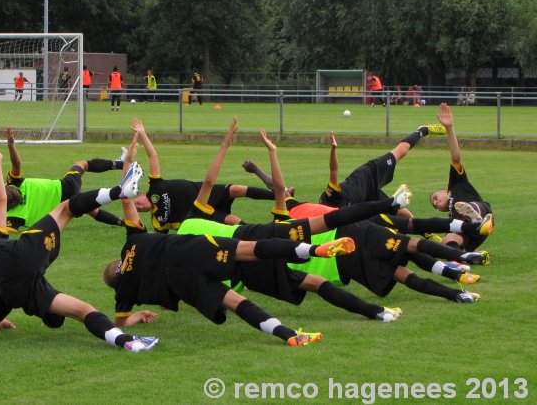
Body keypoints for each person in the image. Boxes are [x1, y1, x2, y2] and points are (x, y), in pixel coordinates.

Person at [103, 133, 356, 347]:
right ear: (117, 261)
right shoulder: (132, 243)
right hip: (186, 250)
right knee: (252, 249)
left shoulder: (124, 291)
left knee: (236, 302)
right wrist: (128, 162)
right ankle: (315, 249)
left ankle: (289, 335)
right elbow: (126, 199)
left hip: (181, 281)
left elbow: (120, 323)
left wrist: (140, 314)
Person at [176, 123, 412, 323]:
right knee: (332, 218)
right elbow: (212, 182)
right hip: (256, 234)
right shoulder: (191, 218)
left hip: (244, 268)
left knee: (316, 284)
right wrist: (252, 149)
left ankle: (378, 313)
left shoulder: (186, 254)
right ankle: (388, 204)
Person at [0, 136, 159, 353]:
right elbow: (0, 199)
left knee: (83, 310)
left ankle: (128, 341)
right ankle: (119, 191)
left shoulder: (5, 302)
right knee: (66, 208)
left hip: (23, 278)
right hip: (20, 256)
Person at [241, 152, 485, 304]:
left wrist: (256, 169)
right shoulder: (282, 222)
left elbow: (277, 187)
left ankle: (460, 264)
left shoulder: (289, 213)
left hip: (354, 236)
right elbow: (278, 188)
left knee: (407, 248)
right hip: (347, 250)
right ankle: (455, 291)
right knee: (401, 268)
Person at [130, 118, 276, 233]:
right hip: (200, 213)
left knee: (236, 189)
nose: (140, 207)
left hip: (204, 191)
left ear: (142, 194)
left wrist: (142, 133)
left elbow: (153, 157)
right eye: (138, 209)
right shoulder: (158, 222)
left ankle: (279, 196)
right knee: (230, 220)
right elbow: (161, 241)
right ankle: (258, 233)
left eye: (137, 203)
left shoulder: (155, 186)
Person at [1, 128, 127, 232]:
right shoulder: (15, 183)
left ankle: (123, 223)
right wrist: (11, 145)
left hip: (64, 207)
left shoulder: (14, 216)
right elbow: (17, 163)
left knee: (92, 210)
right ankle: (122, 164)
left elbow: (3, 231)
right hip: (67, 186)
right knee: (83, 164)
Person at [317, 125, 447, 218]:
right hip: (366, 201)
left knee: (402, 151)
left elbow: (333, 170)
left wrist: (333, 149)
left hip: (368, 176)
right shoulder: (332, 222)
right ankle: (426, 233)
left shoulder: (330, 198)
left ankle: (422, 130)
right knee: (404, 214)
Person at [429, 103, 493, 251]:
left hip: (484, 214)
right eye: (435, 205)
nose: (436, 203)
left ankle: (473, 215)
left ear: (445, 190)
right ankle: (463, 256)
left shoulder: (456, 185)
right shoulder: (451, 219)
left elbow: (456, 157)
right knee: (447, 241)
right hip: (472, 234)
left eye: (435, 197)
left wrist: (449, 128)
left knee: (472, 205)